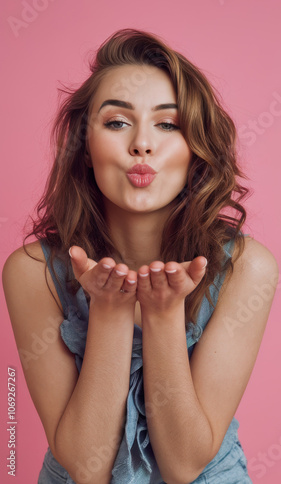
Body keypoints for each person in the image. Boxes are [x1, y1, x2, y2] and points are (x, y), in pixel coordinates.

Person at [2, 28, 279, 484]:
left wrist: (164, 315)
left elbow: (183, 465)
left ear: (195, 150)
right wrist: (109, 313)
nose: (142, 144)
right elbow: (84, 466)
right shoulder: (33, 272)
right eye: (117, 122)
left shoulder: (248, 268)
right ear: (84, 147)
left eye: (168, 124)